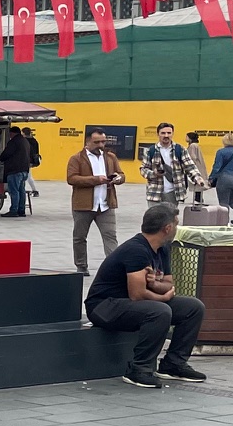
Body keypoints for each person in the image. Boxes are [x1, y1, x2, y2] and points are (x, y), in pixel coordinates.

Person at [85, 204, 206, 388]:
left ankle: (173, 364)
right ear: (167, 228)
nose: (177, 227)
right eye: (176, 223)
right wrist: (163, 297)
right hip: (104, 306)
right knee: (160, 311)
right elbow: (138, 295)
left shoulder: (162, 248)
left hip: (130, 304)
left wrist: (155, 284)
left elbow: (168, 284)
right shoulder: (136, 250)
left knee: (194, 308)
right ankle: (139, 369)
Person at [65, 128, 124, 277]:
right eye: (97, 142)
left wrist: (118, 178)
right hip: (83, 205)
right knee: (79, 237)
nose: (101, 145)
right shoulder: (77, 158)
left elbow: (121, 174)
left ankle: (114, 268)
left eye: (103, 142)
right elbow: (72, 178)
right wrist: (96, 180)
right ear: (87, 142)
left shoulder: (110, 157)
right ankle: (81, 266)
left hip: (106, 204)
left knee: (110, 236)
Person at [144, 123, 194, 209]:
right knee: (154, 216)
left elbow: (190, 167)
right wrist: (153, 174)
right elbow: (143, 169)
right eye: (163, 133)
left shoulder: (180, 150)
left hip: (173, 193)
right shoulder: (150, 151)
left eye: (169, 133)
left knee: (170, 216)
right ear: (158, 134)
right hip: (154, 192)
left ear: (172, 134)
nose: (166, 135)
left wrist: (198, 179)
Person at [0, 124, 32, 217]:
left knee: (14, 191)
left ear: (13, 133)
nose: (9, 136)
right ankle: (21, 210)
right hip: (24, 170)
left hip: (14, 170)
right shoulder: (25, 141)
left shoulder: (13, 142)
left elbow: (6, 154)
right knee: (21, 191)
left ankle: (14, 210)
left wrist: (1, 158)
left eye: (10, 134)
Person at [184, 131, 210, 202]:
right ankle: (198, 198)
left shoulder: (192, 146)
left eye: (187, 136)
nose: (185, 138)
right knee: (197, 182)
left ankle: (183, 196)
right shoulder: (195, 145)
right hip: (198, 166)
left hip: (194, 167)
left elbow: (192, 156)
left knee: (188, 181)